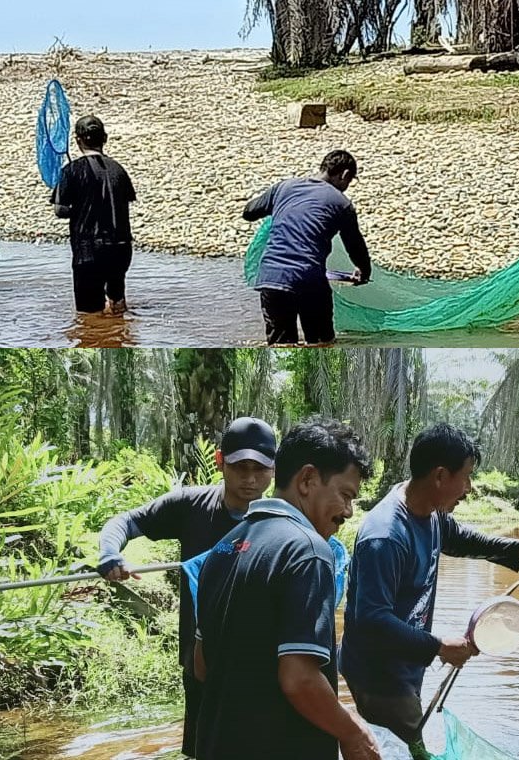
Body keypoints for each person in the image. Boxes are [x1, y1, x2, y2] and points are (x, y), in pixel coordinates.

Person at [340, 423, 519, 759]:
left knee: (403, 740)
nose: (469, 488)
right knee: (403, 745)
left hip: (404, 660)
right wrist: (439, 646)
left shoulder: (429, 511)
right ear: (440, 476)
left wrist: (518, 549)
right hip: (379, 673)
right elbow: (372, 620)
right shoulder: (385, 537)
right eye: (467, 476)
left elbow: (458, 538)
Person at [193, 419, 381, 760]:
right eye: (345, 495)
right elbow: (299, 679)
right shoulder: (309, 551)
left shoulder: (219, 551)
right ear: (307, 479)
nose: (349, 512)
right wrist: (354, 732)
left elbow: (202, 666)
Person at [96, 417, 277, 759]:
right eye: (240, 467)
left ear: (274, 468)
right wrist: (110, 553)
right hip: (201, 663)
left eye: (260, 468)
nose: (250, 479)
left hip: (261, 667)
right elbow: (127, 521)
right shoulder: (191, 507)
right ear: (220, 461)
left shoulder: (282, 519)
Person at [242, 149, 373, 346]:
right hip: (309, 279)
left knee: (281, 346)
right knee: (322, 345)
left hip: (271, 278)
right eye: (349, 181)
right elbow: (354, 245)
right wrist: (364, 271)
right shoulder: (341, 203)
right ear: (344, 175)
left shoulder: (284, 188)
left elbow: (249, 212)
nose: (346, 186)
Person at [51, 115, 138, 315]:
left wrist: (78, 208)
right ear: (104, 139)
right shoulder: (119, 170)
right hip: (120, 248)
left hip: (88, 249)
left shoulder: (72, 170)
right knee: (117, 304)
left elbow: (60, 210)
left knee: (88, 316)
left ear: (77, 140)